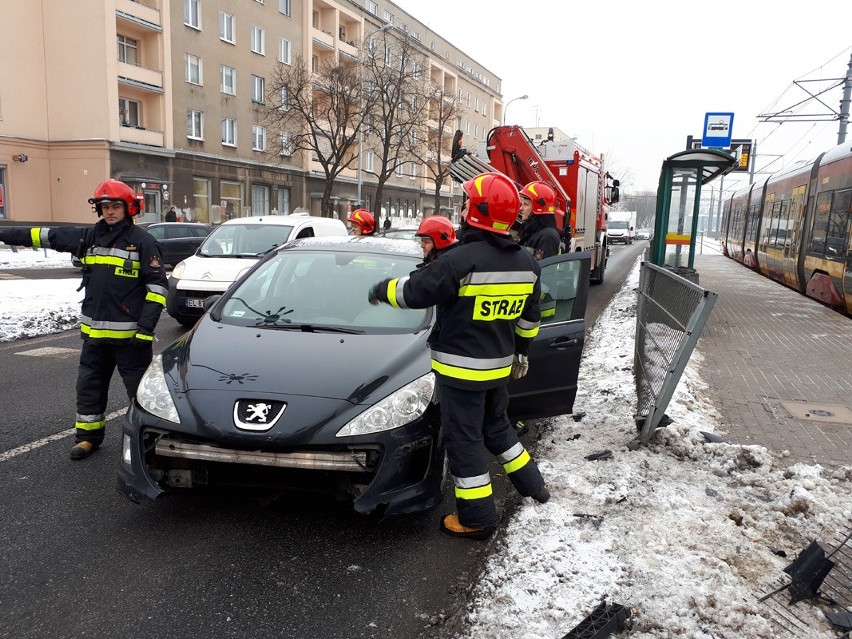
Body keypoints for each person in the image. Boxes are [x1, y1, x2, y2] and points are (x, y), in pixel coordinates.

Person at [368, 172, 550, 541]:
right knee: (497, 429)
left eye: (467, 202)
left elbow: (414, 293)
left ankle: (477, 518)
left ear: (478, 211)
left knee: (464, 442)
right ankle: (535, 487)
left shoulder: (460, 260)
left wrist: (379, 289)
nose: (463, 207)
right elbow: (532, 317)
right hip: (498, 370)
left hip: (461, 375)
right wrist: (523, 351)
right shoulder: (526, 263)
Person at [0, 179, 168, 460]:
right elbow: (45, 235)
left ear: (128, 209)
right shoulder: (89, 237)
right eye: (105, 206)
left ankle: (148, 442)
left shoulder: (143, 242)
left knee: (140, 394)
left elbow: (158, 288)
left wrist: (145, 329)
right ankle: (88, 438)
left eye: (116, 206)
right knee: (88, 388)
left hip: (131, 339)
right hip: (95, 336)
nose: (110, 212)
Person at [517, 181, 562, 260]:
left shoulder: (548, 237)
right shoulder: (533, 231)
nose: (521, 208)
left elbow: (545, 270)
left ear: (538, 208)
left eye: (526, 204)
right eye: (522, 204)